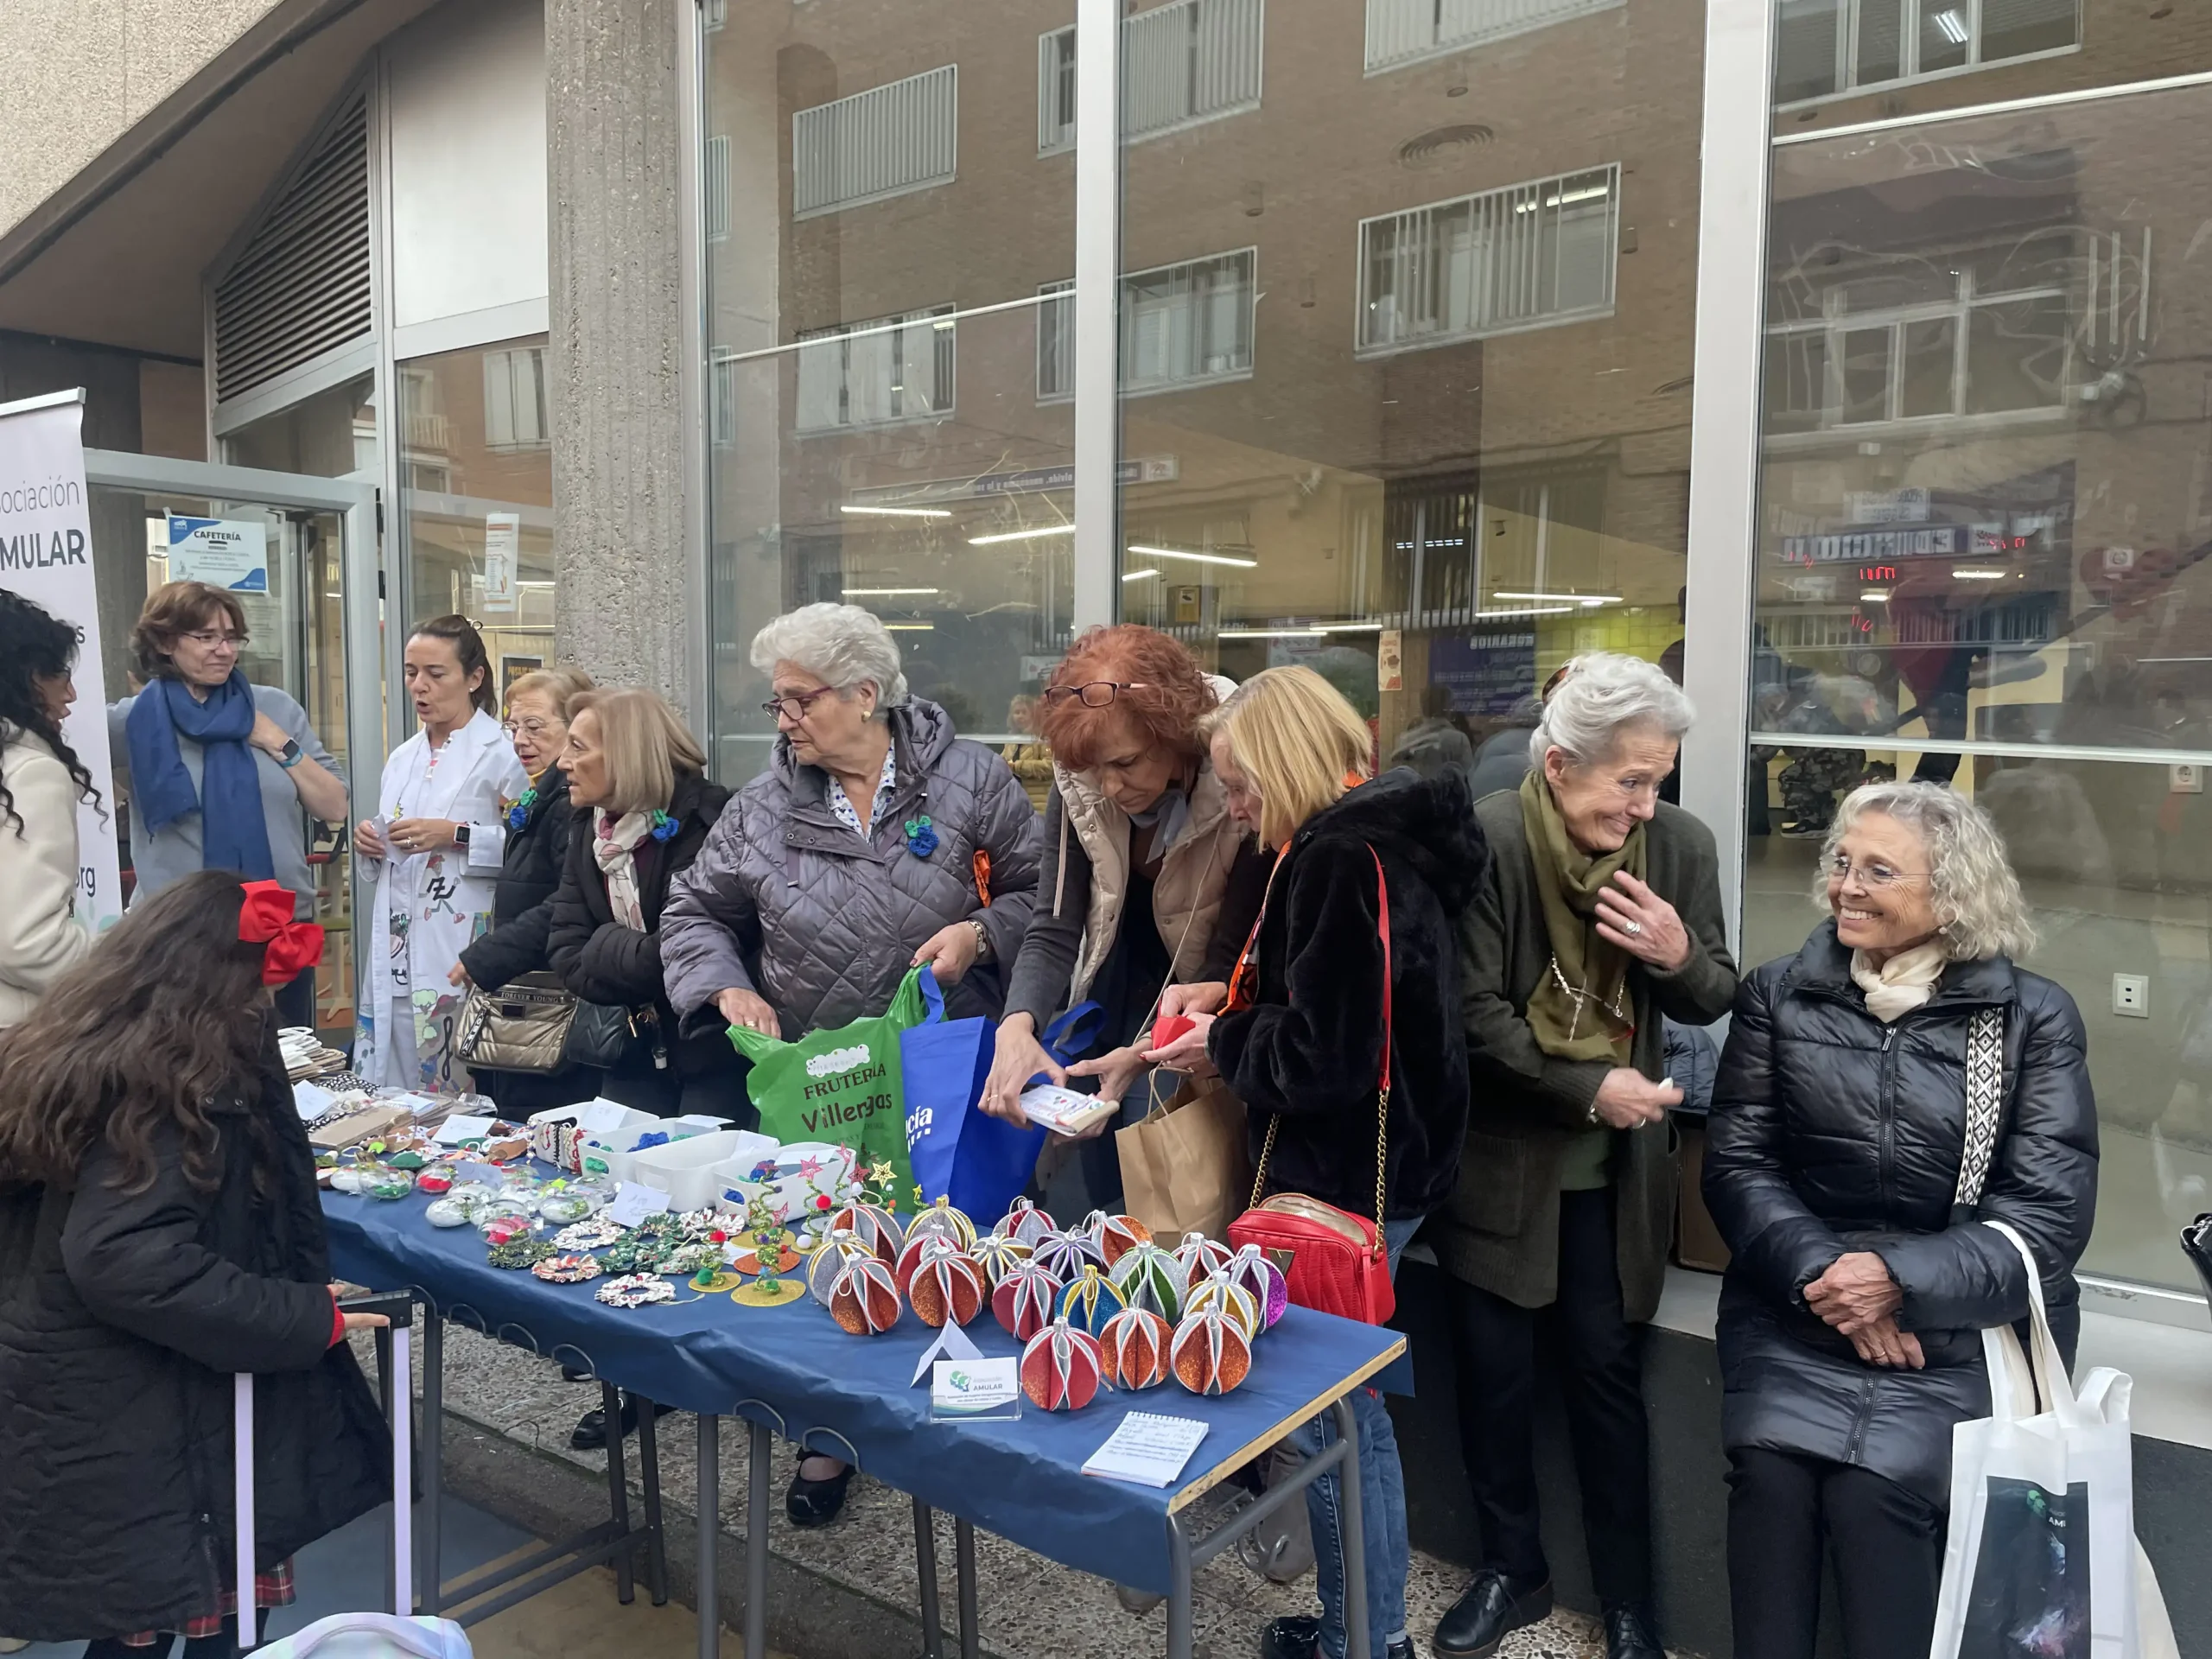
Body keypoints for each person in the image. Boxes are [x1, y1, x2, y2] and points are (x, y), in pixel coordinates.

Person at [661, 602, 1040, 1522]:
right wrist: (722, 987)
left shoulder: (971, 781)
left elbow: (1047, 898)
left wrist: (979, 933)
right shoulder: (760, 809)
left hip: (947, 1072)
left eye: (798, 698)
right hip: (829, 1083)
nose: (781, 718)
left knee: (961, 1241)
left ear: (866, 694)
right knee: (839, 1251)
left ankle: (962, 1431)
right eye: (776, 700)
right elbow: (691, 910)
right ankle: (828, 1442)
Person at [1703, 780, 2097, 1659]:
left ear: (1951, 894)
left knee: (1872, 1496)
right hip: (1796, 1314)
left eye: (1879, 869)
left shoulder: (2029, 1018)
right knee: (1766, 1477)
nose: (1846, 884)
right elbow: (1738, 1168)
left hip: (1953, 1337)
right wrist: (1825, 1277)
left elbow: (2047, 1217)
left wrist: (1896, 1284)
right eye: (1841, 862)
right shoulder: (1779, 996)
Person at [1143, 665, 1483, 1659]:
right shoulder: (1392, 840)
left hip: (1339, 1186)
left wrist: (1225, 1047)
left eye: (1241, 785)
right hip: (1393, 1172)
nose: (1236, 807)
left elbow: (1328, 1059)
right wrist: (1239, 1005)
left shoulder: (1332, 858)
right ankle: (1362, 1629)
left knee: (1336, 1425)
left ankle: (1361, 1640)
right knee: (1350, 1414)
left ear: (1285, 764)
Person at [1431, 652, 1736, 1659]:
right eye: (1630, 781)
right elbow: (1467, 1012)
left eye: (1660, 778)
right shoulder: (1490, 839)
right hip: (1503, 1168)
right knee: (1495, 1379)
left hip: (1618, 1181)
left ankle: (1631, 1601)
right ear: (1560, 765)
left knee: (1606, 1386)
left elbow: (1713, 993)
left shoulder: (1678, 848)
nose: (1648, 805)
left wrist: (1675, 957)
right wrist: (1584, 1086)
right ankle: (1512, 1569)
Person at [0, 870, 392, 1652]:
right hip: (169, 1423)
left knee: (135, 1627)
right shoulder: (180, 1085)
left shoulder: (89, 1049)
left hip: (108, 1407)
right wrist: (304, 1315)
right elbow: (125, 1258)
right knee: (207, 1620)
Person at [976, 625, 1271, 1211]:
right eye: (1093, 769)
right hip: (1115, 1002)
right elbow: (1054, 923)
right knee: (1110, 1187)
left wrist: (1145, 1056)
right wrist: (1017, 1025)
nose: (1110, 787)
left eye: (1127, 763)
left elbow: (1229, 958)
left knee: (1185, 1203)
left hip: (1206, 1018)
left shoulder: (1241, 776)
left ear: (1177, 732)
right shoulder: (1082, 777)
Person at [109, 581, 349, 1031]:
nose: (223, 650)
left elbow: (334, 804)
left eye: (232, 637)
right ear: (164, 642)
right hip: (178, 939)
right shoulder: (134, 720)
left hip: (277, 931)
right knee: (183, 1079)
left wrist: (277, 741)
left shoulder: (273, 707)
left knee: (287, 1076)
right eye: (206, 637)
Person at [546, 686, 738, 1120]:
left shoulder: (707, 824)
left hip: (710, 1055)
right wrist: (631, 955)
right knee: (613, 1178)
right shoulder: (588, 828)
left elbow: (688, 949)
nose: (562, 762)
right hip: (630, 1049)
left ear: (624, 754)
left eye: (577, 747)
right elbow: (565, 950)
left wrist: (604, 946)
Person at [353, 615, 528, 1091]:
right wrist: (372, 842)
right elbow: (391, 841)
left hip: (461, 936)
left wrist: (458, 835)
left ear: (474, 678)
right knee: (393, 1072)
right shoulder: (402, 757)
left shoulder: (506, 753)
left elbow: (530, 849)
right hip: (398, 935)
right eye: (411, 673)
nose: (420, 686)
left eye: (436, 673)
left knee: (455, 1076)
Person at [451, 667, 598, 1116]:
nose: (519, 740)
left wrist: (490, 954)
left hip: (553, 1005)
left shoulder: (573, 806)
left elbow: (570, 902)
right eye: (513, 727)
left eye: (535, 727)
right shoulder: (539, 796)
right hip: (527, 1000)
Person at [0, 591, 97, 1030]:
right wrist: (126, 972)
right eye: (58, 673)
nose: (71, 694)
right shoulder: (31, 772)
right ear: (21, 678)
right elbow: (29, 943)